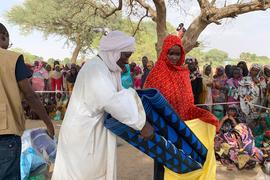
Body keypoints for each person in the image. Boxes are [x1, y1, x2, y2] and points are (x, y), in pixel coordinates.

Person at [52, 31, 153, 179]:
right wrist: (142, 124)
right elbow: (112, 101)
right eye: (125, 56)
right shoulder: (95, 69)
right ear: (113, 52)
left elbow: (119, 94)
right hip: (83, 136)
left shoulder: (106, 68)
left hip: (92, 132)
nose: (127, 61)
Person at [144, 35, 218, 180]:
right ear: (164, 52)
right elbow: (146, 101)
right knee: (162, 162)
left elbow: (188, 101)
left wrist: (202, 115)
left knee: (180, 162)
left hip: (181, 127)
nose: (174, 57)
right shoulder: (156, 73)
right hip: (162, 126)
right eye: (171, 53)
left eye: (177, 53)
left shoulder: (183, 73)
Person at [0, 23, 54, 179]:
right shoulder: (11, 58)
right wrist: (48, 123)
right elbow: (30, 95)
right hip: (5, 130)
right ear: (3, 36)